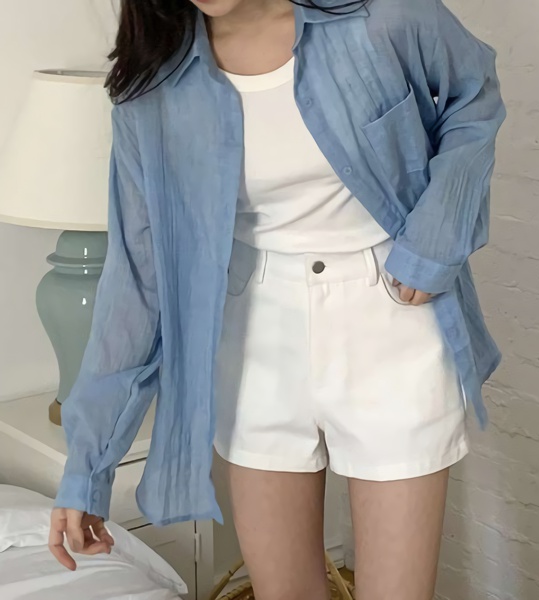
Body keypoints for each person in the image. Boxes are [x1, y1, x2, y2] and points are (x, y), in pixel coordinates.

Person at [48, 0, 505, 598]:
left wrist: (435, 242)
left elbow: (474, 97)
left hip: (391, 319)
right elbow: (138, 279)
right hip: (253, 338)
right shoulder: (153, 84)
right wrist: (88, 467)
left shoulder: (380, 15)